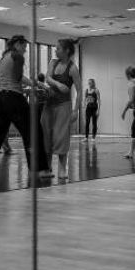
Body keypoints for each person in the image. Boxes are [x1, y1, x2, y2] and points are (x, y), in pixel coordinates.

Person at [0, 35, 51, 180]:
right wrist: (38, 84)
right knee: (34, 131)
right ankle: (40, 170)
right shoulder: (17, 56)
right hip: (14, 99)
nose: (25, 50)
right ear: (17, 44)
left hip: (1, 99)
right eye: (24, 46)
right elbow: (18, 78)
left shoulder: (4, 57)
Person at [41, 39, 82, 179]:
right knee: (46, 135)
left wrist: (75, 111)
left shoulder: (72, 68)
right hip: (49, 104)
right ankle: (47, 167)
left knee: (61, 137)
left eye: (58, 48)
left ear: (67, 51)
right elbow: (47, 78)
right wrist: (58, 84)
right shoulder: (53, 62)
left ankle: (62, 168)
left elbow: (79, 91)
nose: (55, 50)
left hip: (64, 105)